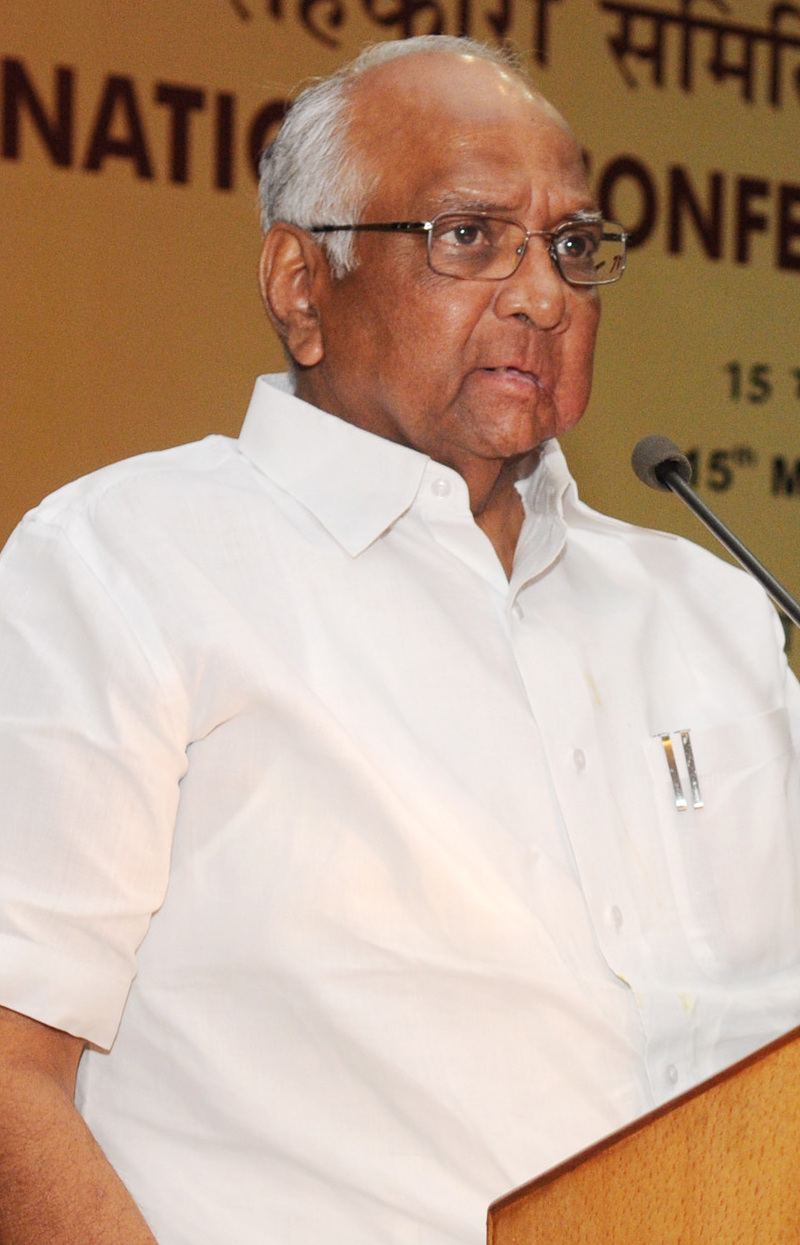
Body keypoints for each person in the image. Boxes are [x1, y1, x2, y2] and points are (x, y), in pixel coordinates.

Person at [1, 33, 799, 1245]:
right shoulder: (124, 562)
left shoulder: (707, 610)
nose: (541, 293)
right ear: (298, 284)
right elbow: (11, 1072)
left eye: (572, 247)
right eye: (469, 236)